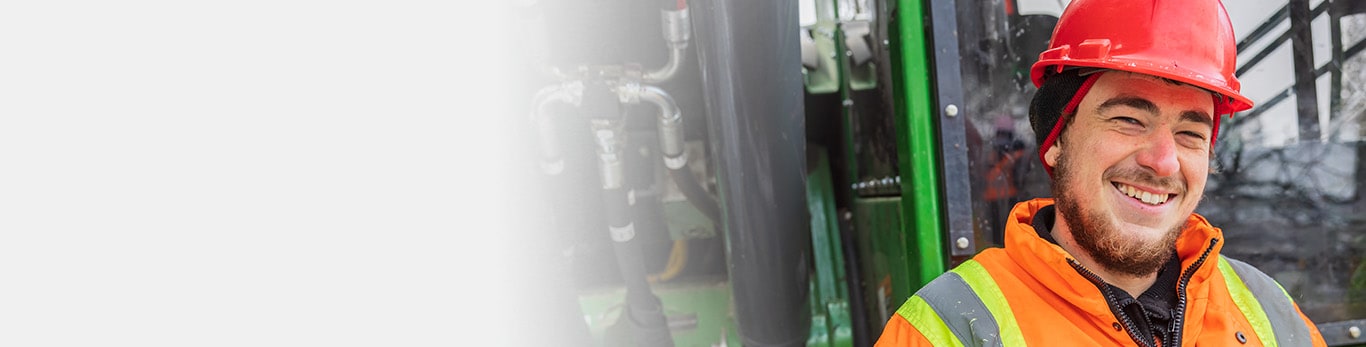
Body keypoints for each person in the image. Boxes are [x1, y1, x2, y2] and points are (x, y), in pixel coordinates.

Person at [876, 0, 1328, 346]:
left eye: (1191, 132)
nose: (1164, 161)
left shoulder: (1271, 315)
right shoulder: (947, 330)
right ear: (1055, 140)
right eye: (1129, 119)